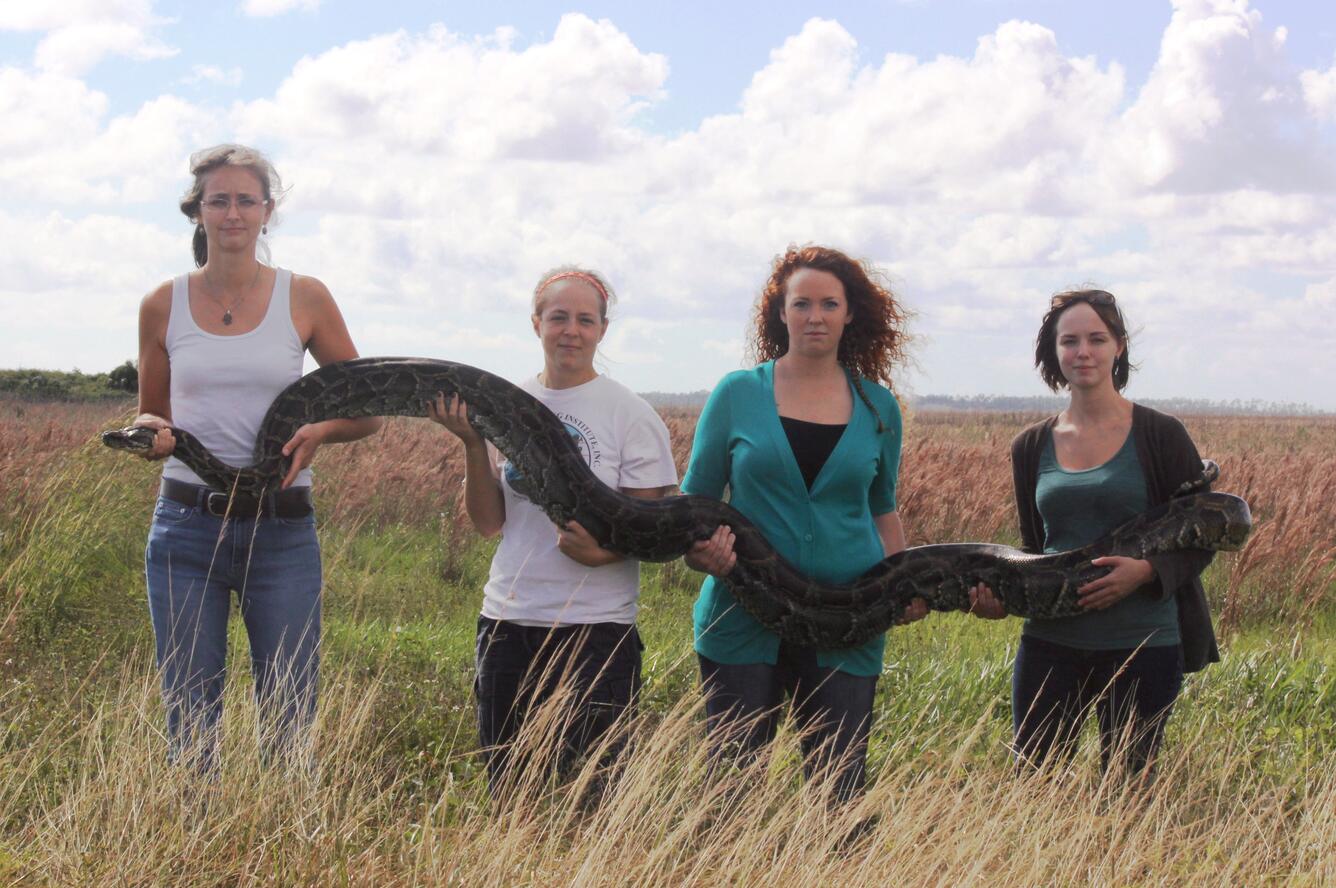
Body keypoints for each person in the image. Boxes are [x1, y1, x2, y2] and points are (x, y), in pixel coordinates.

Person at [133, 144, 381, 768]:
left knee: (290, 716)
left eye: (247, 200)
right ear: (198, 213)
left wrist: (320, 432)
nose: (233, 213)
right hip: (186, 530)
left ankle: (281, 851)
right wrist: (149, 434)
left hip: (282, 530)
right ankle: (197, 854)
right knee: (190, 718)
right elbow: (151, 413)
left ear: (267, 212)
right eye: (219, 200)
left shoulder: (306, 298)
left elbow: (368, 409)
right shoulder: (163, 304)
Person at [681, 245, 926, 802]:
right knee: (732, 790)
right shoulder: (737, 394)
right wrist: (702, 554)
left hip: (851, 617)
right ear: (781, 313)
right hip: (741, 616)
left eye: (829, 304)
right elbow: (694, 504)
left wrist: (901, 585)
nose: (815, 316)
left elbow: (882, 507)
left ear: (850, 313)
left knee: (838, 792)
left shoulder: (877, 406)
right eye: (802, 304)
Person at [428, 267, 678, 797]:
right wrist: (472, 444)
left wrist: (603, 554)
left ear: (602, 330)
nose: (571, 330)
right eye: (558, 317)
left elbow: (656, 530)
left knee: (593, 795)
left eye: (585, 320)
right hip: (509, 620)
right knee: (510, 793)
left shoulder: (630, 415)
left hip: (596, 629)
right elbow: (489, 522)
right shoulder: (506, 406)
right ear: (536, 323)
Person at [969, 289, 1218, 778]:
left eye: (1096, 339)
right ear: (1054, 352)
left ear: (1118, 347)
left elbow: (1203, 535)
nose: (1083, 352)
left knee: (1128, 790)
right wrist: (1000, 601)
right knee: (1034, 786)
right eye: (1070, 341)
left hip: (1142, 645)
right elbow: (1033, 552)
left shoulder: (1161, 434)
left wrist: (1146, 572)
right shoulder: (1031, 446)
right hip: (1049, 643)